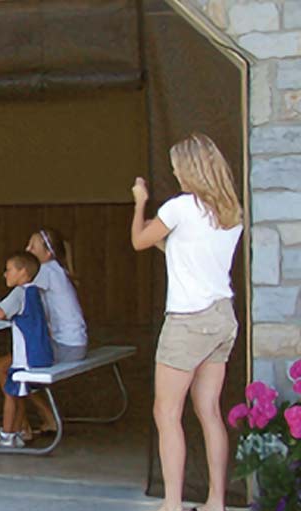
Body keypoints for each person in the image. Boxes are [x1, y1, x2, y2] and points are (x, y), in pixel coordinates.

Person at [130, 133, 242, 511]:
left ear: (189, 169)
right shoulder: (231, 211)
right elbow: (188, 252)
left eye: (177, 166)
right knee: (209, 410)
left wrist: (140, 203)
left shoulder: (179, 208)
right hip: (222, 317)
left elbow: (140, 241)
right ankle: (216, 502)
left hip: (187, 320)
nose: (175, 173)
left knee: (166, 412)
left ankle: (173, 503)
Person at [0, 228, 87, 439]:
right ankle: (37, 419)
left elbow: (17, 291)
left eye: (32, 246)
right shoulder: (55, 270)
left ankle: (20, 427)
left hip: (66, 346)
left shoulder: (44, 272)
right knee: (19, 367)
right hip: (74, 343)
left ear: (48, 253)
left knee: (5, 368)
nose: (27, 249)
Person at [0, 251, 53, 448]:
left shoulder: (19, 293)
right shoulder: (37, 292)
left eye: (9, 270)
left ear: (23, 272)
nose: (5, 274)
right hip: (41, 355)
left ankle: (7, 435)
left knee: (10, 395)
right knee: (17, 394)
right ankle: (16, 432)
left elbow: (0, 314)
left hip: (25, 360)